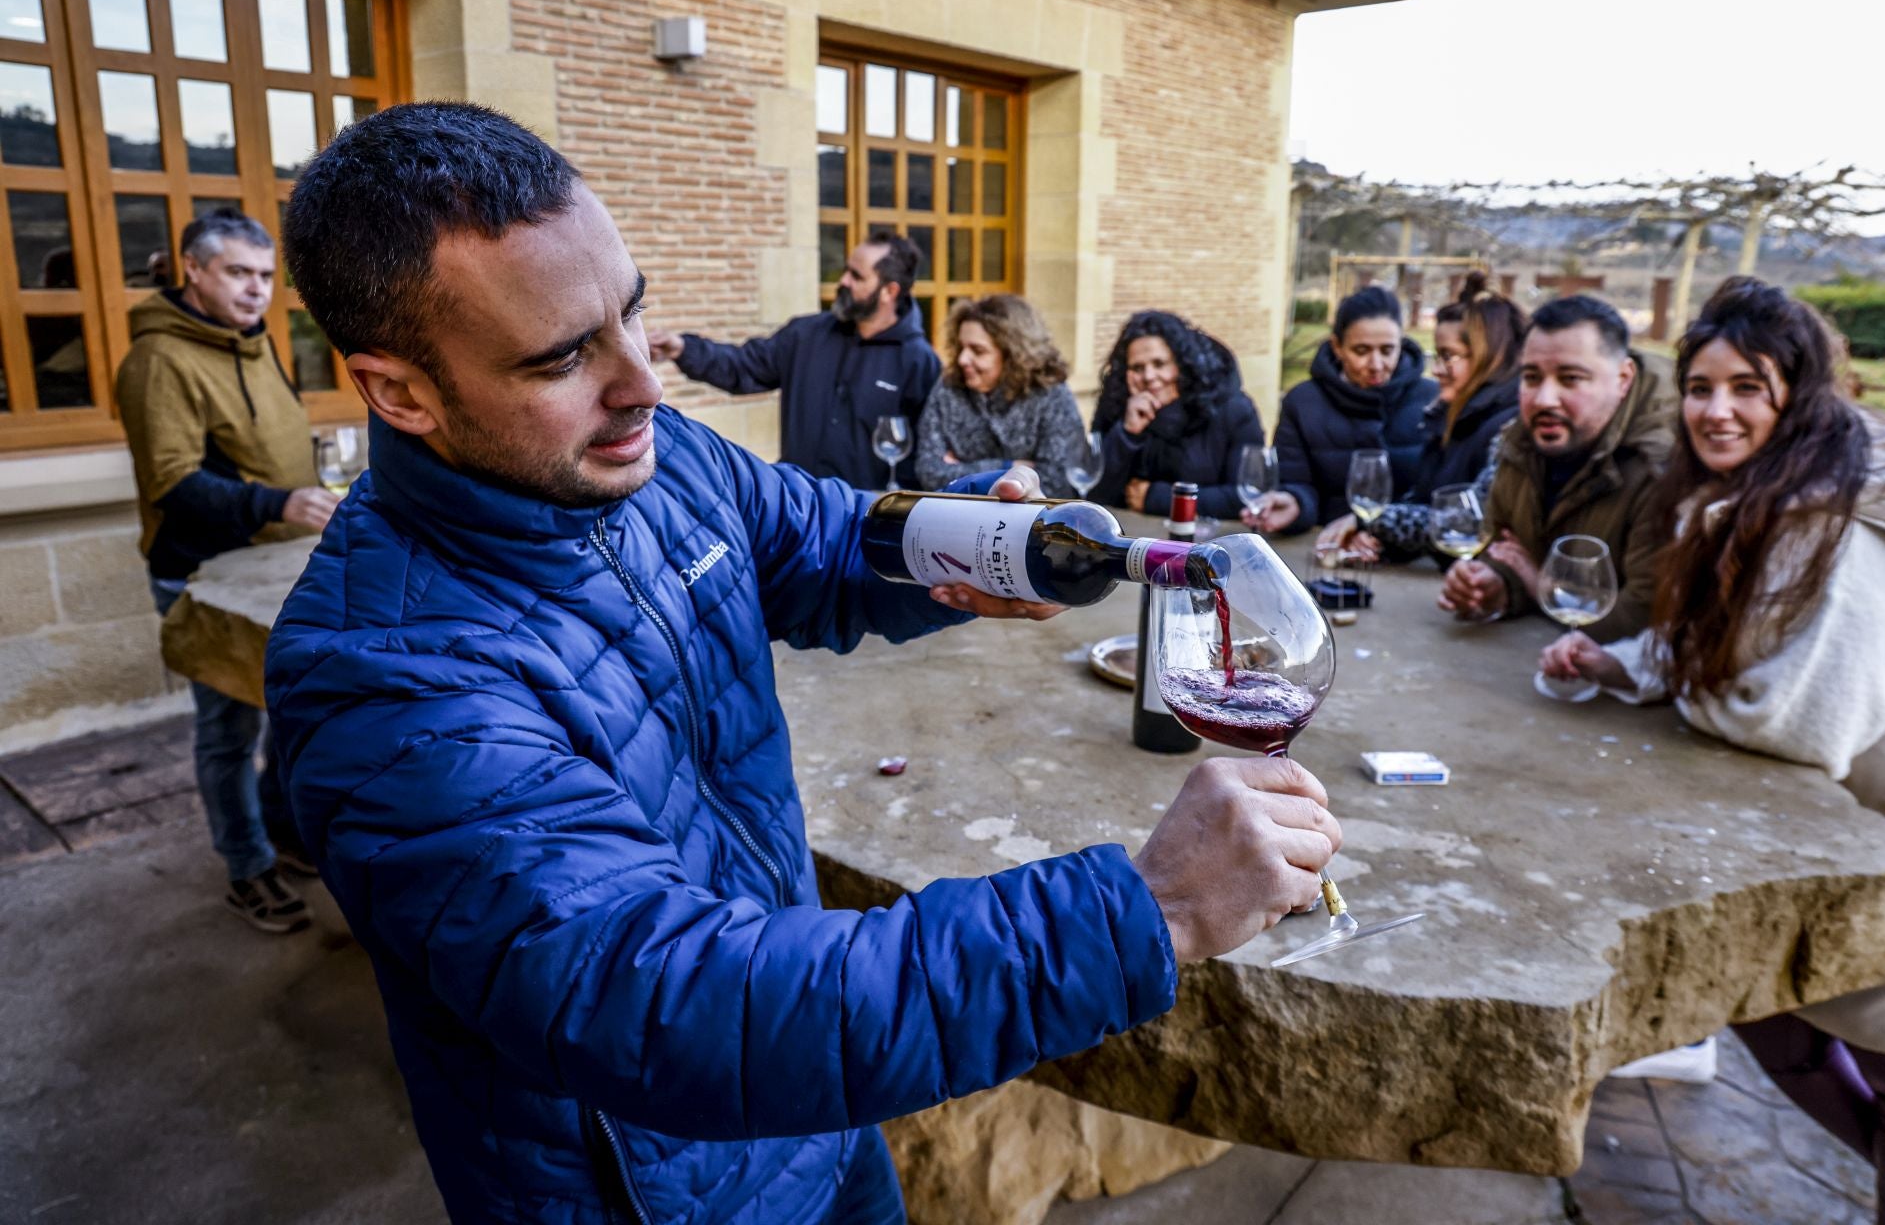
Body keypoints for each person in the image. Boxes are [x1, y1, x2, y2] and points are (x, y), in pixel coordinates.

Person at [268, 102, 1342, 1225]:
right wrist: (1148, 911)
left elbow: (816, 537)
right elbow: (682, 1004)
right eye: (562, 357)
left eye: (632, 313)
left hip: (821, 1123)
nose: (643, 382)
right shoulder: (380, 680)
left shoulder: (644, 451)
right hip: (654, 1183)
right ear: (400, 390)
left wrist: (999, 537)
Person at [1541, 277, 1885, 1224]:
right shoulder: (1746, 499)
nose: (1717, 411)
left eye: (1748, 387)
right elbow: (1733, 646)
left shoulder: (1852, 523)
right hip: (1821, 845)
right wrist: (1624, 662)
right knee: (1767, 1014)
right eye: (1703, 388)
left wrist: (1684, 683)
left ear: (1800, 395)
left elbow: (1804, 718)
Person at [114, 207, 337, 933]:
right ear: (194, 271)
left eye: (266, 276)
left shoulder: (252, 339)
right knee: (227, 730)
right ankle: (247, 868)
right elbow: (172, 481)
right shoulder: (158, 360)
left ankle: (281, 831)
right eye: (238, 273)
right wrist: (281, 499)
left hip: (276, 564)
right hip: (204, 574)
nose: (256, 291)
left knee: (286, 711)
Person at [1438, 294, 1672, 642]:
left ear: (1623, 379)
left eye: (1570, 379)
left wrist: (1539, 584)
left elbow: (1641, 619)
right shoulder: (1518, 442)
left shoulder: (1661, 469)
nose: (1545, 399)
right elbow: (1503, 546)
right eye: (1531, 377)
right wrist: (1492, 584)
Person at [648, 230, 940, 489]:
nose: (843, 281)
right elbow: (742, 366)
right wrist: (683, 349)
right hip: (797, 508)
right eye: (846, 270)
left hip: (864, 521)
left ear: (889, 291)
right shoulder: (806, 334)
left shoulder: (919, 362)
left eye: (857, 276)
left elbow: (922, 457)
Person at [1315, 273, 1527, 562]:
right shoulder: (1451, 416)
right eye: (1436, 356)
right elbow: (1422, 501)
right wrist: (1378, 540)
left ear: (1488, 357)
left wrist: (1369, 521)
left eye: (1448, 356)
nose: (1437, 370)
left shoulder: (1512, 426)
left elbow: (1471, 518)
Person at [1243, 286, 1437, 536]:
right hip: (1326, 543)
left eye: (1388, 350)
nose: (1376, 365)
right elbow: (1297, 482)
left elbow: (1437, 493)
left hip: (1408, 554)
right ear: (1337, 347)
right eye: (1361, 351)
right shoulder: (1303, 402)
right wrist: (1295, 504)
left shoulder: (1431, 398)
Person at [1086, 310, 1264, 518]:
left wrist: (1159, 498)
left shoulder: (1233, 409)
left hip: (1207, 542)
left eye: (1159, 364)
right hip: (1130, 539)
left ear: (1182, 364)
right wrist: (1127, 434)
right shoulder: (1115, 406)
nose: (1149, 376)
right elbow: (1090, 493)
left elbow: (1250, 495)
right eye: (1137, 367)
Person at [914, 293, 1086, 497]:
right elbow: (928, 472)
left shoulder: (1051, 393)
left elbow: (1058, 483)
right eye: (961, 347)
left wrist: (963, 471)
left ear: (1012, 354)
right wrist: (1010, 466)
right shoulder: (948, 388)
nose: (962, 359)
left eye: (977, 350)